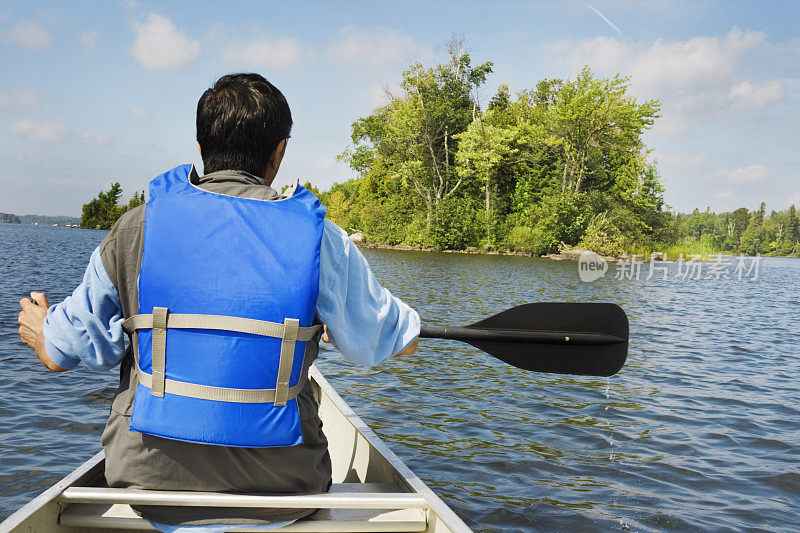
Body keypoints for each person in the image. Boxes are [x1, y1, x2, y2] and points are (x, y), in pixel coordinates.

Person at [17, 72, 420, 530]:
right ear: (279, 152)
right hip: (285, 488)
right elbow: (388, 341)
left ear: (201, 144)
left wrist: (42, 325)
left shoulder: (135, 228)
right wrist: (388, 329)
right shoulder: (321, 241)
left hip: (147, 485)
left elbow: (61, 353)